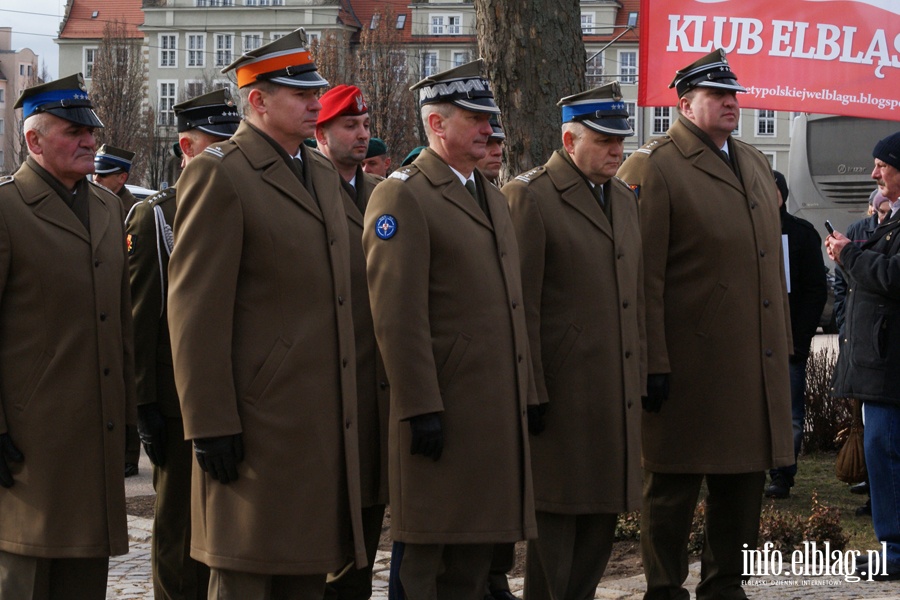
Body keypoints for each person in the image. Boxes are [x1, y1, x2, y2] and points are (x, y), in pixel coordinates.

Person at [167, 29, 365, 599]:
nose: (313, 104)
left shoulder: (320, 171)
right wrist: (209, 423)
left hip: (316, 420)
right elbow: (194, 311)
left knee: (305, 572)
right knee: (247, 574)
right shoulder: (219, 173)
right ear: (256, 101)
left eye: (314, 93)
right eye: (297, 94)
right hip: (254, 424)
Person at [617, 49, 792, 600]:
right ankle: (664, 587)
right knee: (671, 484)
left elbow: (767, 266)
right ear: (685, 103)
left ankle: (725, 586)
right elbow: (639, 275)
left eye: (734, 95)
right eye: (719, 96)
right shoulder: (654, 165)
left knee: (741, 484)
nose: (732, 104)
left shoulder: (754, 162)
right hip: (686, 363)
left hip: (749, 362)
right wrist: (651, 361)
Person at [362, 59, 537, 599]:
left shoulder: (487, 194)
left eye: (490, 117)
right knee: (429, 560)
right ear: (437, 125)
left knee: (474, 554)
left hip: (488, 410)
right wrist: (418, 406)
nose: (489, 128)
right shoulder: (404, 195)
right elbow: (397, 314)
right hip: (442, 410)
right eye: (474, 117)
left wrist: (525, 390)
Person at [504, 82, 645, 600]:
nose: (617, 151)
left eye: (620, 141)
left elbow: (634, 298)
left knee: (602, 518)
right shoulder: (531, 196)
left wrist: (643, 370)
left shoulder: (623, 198)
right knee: (557, 523)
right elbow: (521, 306)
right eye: (605, 140)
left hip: (611, 391)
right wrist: (530, 389)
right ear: (569, 138)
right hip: (560, 396)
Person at [0, 73, 136, 597]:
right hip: (30, 447)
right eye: (73, 132)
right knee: (28, 578)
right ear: (34, 141)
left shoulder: (105, 206)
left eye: (91, 133)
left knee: (85, 576)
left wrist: (126, 420)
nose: (89, 142)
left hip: (93, 437)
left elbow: (118, 321)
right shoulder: (8, 210)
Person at [126, 87, 240, 600]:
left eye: (231, 140)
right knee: (178, 523)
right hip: (175, 399)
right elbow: (142, 314)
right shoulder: (157, 213)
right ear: (186, 147)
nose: (225, 151)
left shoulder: (241, 198)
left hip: (236, 390)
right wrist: (145, 402)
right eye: (214, 141)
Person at [316, 84, 390, 600]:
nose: (362, 135)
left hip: (374, 390)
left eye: (365, 126)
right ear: (320, 133)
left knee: (367, 523)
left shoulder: (379, 194)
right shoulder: (308, 190)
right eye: (349, 126)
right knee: (326, 536)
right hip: (322, 393)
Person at [826, 131, 900, 582]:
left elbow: (893, 276)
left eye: (882, 165)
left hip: (891, 367)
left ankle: (895, 551)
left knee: (885, 451)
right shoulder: (885, 219)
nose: (874, 174)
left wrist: (850, 255)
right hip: (880, 364)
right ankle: (892, 546)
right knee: (883, 452)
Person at [763, 171, 827, 499]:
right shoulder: (746, 229)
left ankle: (783, 474)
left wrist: (800, 339)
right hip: (751, 340)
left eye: (770, 189)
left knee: (789, 411)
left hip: (789, 341)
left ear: (782, 195)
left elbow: (816, 291)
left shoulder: (802, 234)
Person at [834, 189, 890, 337]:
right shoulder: (857, 230)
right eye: (882, 212)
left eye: (890, 213)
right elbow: (842, 280)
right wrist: (843, 319)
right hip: (854, 320)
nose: (886, 218)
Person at [94, 144, 139, 212]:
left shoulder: (136, 211)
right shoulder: (89, 203)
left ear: (122, 178)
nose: (96, 179)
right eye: (94, 173)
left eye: (103, 175)